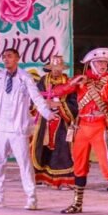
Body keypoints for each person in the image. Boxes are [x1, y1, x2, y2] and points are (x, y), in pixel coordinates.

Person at [0, 48, 57, 210]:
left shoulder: (25, 78)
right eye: (4, 57)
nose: (6, 59)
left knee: (24, 164)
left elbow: (36, 99)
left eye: (9, 56)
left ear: (17, 58)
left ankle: (31, 198)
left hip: (17, 128)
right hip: (0, 128)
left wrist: (48, 114)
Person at [50, 47, 108, 215]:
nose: (102, 65)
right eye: (98, 62)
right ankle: (77, 203)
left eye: (105, 62)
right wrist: (73, 83)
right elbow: (56, 92)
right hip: (82, 127)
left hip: (99, 127)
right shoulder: (81, 79)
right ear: (90, 63)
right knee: (79, 166)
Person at [31, 55, 77, 189]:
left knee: (62, 149)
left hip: (62, 121)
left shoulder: (69, 82)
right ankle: (42, 178)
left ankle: (63, 180)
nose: (56, 70)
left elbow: (74, 102)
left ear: (62, 68)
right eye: (53, 67)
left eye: (59, 67)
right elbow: (35, 96)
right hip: (44, 120)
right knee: (42, 148)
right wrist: (44, 103)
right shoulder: (43, 81)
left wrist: (59, 105)